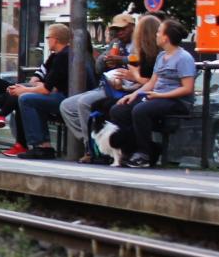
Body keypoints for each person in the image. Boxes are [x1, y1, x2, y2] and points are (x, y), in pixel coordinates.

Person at [61, 13, 158, 163]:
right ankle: (96, 141)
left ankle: (93, 150)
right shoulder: (115, 43)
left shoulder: (140, 47)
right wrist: (105, 60)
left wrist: (123, 60)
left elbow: (144, 73)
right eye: (115, 29)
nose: (119, 32)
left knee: (86, 103)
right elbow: (98, 68)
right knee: (67, 106)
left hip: (127, 90)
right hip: (109, 86)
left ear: (133, 27)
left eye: (122, 29)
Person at [107, 19, 196, 168]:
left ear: (166, 37)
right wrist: (134, 94)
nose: (156, 35)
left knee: (140, 110)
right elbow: (152, 82)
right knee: (119, 110)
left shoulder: (184, 58)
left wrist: (160, 96)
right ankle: (131, 150)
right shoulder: (161, 57)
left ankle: (144, 154)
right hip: (157, 96)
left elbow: (187, 88)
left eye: (159, 32)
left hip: (177, 101)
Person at [0, 23, 73, 159]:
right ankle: (43, 144)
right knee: (25, 93)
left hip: (65, 98)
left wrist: (24, 90)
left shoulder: (63, 56)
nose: (47, 40)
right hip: (61, 95)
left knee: (26, 99)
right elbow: (44, 81)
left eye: (48, 37)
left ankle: (39, 145)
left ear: (55, 39)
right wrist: (26, 87)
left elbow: (46, 89)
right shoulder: (58, 55)